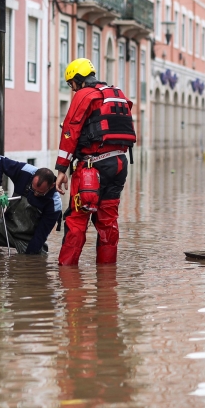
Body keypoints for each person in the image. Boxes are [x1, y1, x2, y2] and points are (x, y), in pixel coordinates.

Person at [55, 58, 136, 266]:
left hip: (92, 167)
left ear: (78, 79)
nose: (72, 90)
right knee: (108, 222)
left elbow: (70, 132)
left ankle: (68, 277)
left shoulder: (85, 95)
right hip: (119, 164)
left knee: (76, 220)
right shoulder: (116, 94)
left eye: (71, 84)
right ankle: (107, 279)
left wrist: (62, 168)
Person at [0, 155, 62, 255]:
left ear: (52, 186)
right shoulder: (25, 172)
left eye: (40, 193)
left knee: (35, 259)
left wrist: (30, 258)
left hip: (27, 239)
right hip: (7, 227)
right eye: (33, 189)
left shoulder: (55, 204)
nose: (35, 194)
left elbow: (40, 235)